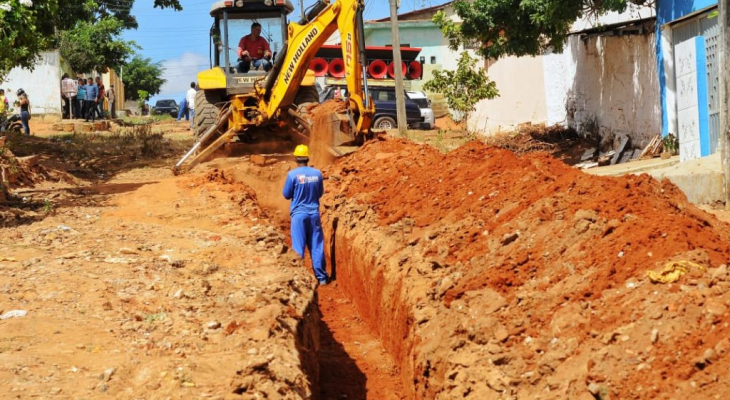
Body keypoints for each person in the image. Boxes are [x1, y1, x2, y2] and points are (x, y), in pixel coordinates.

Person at [282, 145, 330, 285]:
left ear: (296, 158)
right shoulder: (317, 174)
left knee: (298, 246)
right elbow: (320, 193)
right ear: (308, 157)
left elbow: (286, 195)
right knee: (316, 245)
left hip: (298, 215)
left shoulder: (292, 175)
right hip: (314, 214)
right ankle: (321, 278)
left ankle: (300, 279)